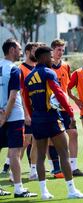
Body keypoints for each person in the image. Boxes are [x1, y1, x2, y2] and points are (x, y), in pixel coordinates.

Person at [23, 46, 83, 199]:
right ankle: (71, 190)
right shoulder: (48, 73)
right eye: (50, 56)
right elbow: (59, 93)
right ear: (43, 57)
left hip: (38, 120)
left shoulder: (28, 78)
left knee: (40, 157)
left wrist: (34, 117)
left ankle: (44, 192)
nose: (52, 59)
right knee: (64, 154)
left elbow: (27, 100)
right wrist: (71, 113)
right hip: (52, 118)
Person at [0, 38, 37, 198]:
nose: (21, 51)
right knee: (15, 153)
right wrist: (5, 117)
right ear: (11, 50)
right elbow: (13, 96)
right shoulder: (14, 70)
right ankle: (18, 188)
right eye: (19, 48)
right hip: (13, 116)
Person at [50, 39, 83, 176]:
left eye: (62, 50)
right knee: (53, 139)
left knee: (74, 134)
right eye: (58, 50)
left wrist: (75, 100)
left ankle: (73, 167)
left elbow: (68, 88)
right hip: (52, 109)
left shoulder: (66, 66)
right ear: (52, 50)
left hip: (65, 107)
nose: (60, 52)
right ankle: (55, 167)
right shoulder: (47, 67)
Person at [18, 42, 39, 180]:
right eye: (34, 51)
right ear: (27, 52)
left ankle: (33, 170)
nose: (37, 54)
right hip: (27, 112)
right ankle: (15, 171)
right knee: (24, 142)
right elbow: (19, 93)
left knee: (37, 140)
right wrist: (25, 113)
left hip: (39, 111)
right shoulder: (20, 69)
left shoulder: (39, 68)